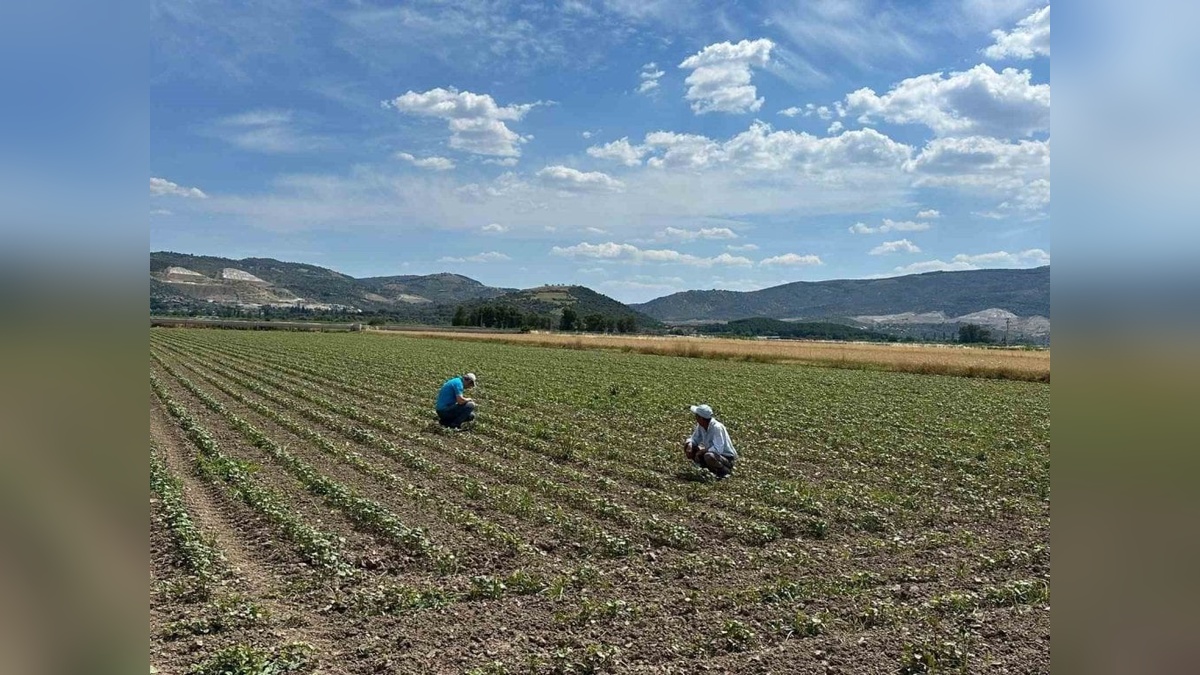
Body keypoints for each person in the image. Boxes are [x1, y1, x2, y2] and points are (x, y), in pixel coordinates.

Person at [682, 404, 737, 478]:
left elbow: (718, 449)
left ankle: (724, 472)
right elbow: (694, 438)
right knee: (689, 446)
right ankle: (706, 468)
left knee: (709, 456)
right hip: (712, 453)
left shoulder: (717, 427)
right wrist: (690, 444)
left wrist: (702, 451)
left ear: (701, 418)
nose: (695, 417)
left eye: (696, 416)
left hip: (726, 457)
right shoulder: (701, 425)